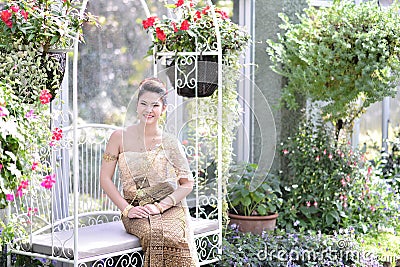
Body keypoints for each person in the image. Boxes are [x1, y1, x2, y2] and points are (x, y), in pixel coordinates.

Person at [100, 77, 199, 267]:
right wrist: (127, 209)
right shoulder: (118, 137)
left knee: (173, 236)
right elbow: (105, 179)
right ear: (137, 106)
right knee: (154, 234)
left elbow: (187, 183)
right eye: (143, 104)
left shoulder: (169, 142)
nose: (148, 110)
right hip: (135, 209)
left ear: (163, 109)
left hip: (169, 207)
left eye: (155, 105)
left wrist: (160, 206)